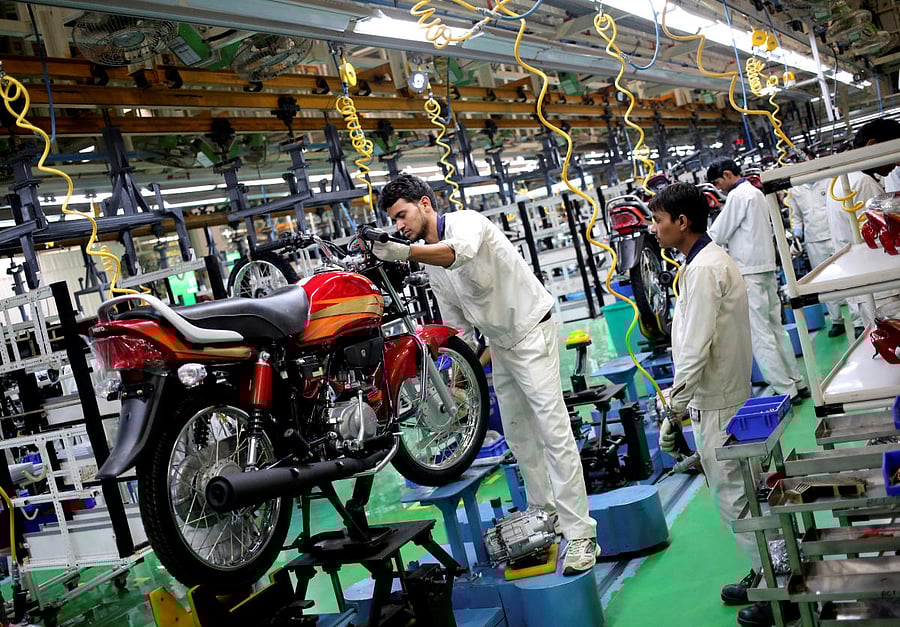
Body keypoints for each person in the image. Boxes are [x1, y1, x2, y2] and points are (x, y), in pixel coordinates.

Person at [373, 173, 599, 576]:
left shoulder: (466, 223)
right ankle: (543, 517)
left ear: (425, 204)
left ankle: (581, 533)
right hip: (499, 344)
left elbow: (454, 254)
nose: (400, 227)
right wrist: (455, 386)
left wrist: (404, 251)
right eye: (394, 221)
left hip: (530, 330)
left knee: (552, 430)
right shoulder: (431, 263)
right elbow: (459, 332)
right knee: (517, 433)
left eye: (402, 215)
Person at [651, 183, 797, 627]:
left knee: (738, 501)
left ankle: (780, 595)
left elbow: (694, 349)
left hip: (715, 402)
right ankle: (764, 571)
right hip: (726, 395)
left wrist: (673, 407)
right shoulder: (710, 262)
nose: (653, 229)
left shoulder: (703, 270)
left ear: (682, 222)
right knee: (747, 493)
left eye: (658, 221)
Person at [706, 159, 807, 404]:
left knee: (760, 333)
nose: (718, 188)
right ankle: (796, 381)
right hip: (766, 267)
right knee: (775, 327)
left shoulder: (739, 196)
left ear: (728, 174)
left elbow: (717, 233)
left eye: (718, 182)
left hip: (748, 271)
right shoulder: (756, 193)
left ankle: (785, 389)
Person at [825, 119, 900, 328]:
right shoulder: (862, 183)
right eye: (893, 153)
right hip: (883, 289)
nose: (895, 163)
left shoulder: (847, 179)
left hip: (868, 285)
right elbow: (885, 235)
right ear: (873, 145)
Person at [786, 152, 845, 337]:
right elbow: (796, 215)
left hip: (835, 235)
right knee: (824, 282)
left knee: (846, 278)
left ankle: (859, 320)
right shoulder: (795, 189)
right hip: (813, 240)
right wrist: (796, 235)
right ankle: (837, 321)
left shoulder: (829, 180)